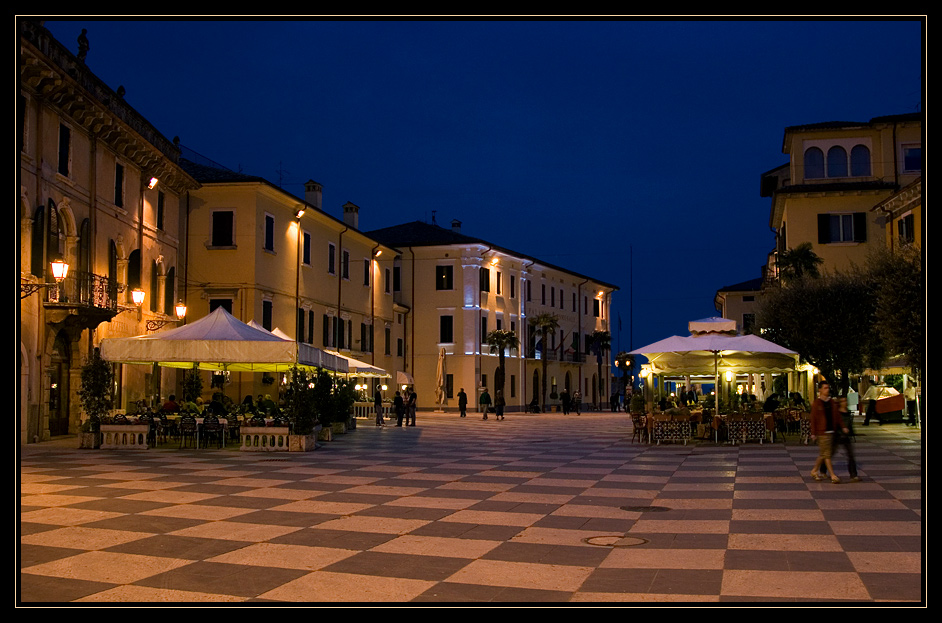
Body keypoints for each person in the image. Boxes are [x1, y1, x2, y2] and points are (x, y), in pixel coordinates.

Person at [810, 381, 848, 484]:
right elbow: (813, 418)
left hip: (831, 431)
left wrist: (843, 426)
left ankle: (814, 470)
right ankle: (832, 475)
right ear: (820, 390)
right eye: (825, 388)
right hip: (822, 432)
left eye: (828, 388)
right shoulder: (817, 403)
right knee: (826, 454)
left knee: (823, 454)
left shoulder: (831, 402)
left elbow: (837, 416)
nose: (827, 390)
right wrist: (813, 433)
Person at [832, 396, 859, 482]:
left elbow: (849, 425)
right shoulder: (837, 413)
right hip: (838, 435)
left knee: (850, 455)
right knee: (829, 454)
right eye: (842, 401)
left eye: (845, 401)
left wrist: (851, 432)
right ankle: (823, 469)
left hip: (846, 436)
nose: (844, 403)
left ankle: (853, 474)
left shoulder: (847, 412)